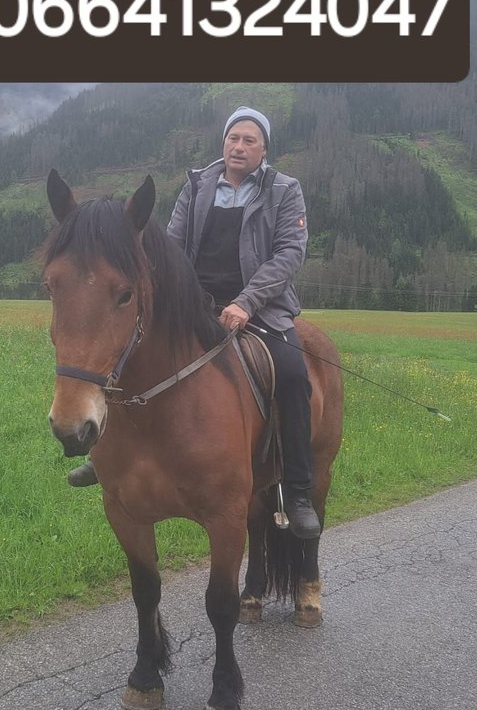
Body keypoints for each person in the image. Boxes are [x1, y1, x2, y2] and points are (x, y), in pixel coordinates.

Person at [67, 106, 320, 540]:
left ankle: (296, 489)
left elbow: (288, 254)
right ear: (224, 142)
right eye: (233, 138)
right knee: (129, 357)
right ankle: (105, 455)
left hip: (259, 308)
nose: (239, 147)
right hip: (195, 305)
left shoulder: (284, 190)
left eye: (249, 141)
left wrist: (246, 302)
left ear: (264, 150)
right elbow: (174, 246)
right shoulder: (198, 184)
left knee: (294, 375)